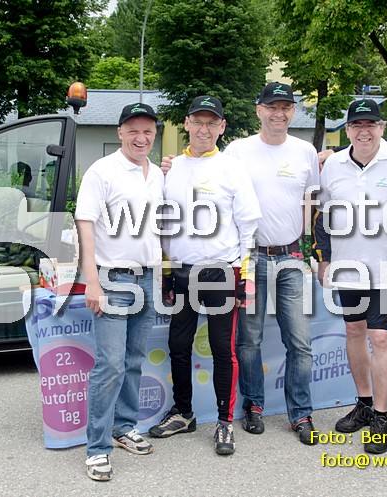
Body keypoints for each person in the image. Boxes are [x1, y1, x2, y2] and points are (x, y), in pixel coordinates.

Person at [148, 95, 261, 456]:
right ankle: (184, 413)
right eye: (198, 121)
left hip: (221, 272)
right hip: (182, 271)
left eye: (212, 123)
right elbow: (165, 226)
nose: (204, 129)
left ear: (222, 127)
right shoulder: (171, 169)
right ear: (186, 123)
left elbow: (248, 225)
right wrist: (167, 273)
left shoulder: (232, 168)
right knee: (178, 346)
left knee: (221, 349)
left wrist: (245, 275)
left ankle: (224, 423)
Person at [224, 82, 320, 445]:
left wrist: (311, 249)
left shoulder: (305, 151)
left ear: (293, 111)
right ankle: (254, 406)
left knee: (300, 341)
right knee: (249, 339)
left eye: (285, 107)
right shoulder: (238, 151)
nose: (279, 113)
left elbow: (311, 202)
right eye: (272, 107)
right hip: (251, 259)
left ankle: (301, 413)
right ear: (259, 110)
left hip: (292, 258)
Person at [74, 102, 164, 481]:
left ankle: (124, 427)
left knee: (133, 360)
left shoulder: (157, 174)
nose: (140, 138)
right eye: (133, 131)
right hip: (112, 279)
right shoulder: (102, 171)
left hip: (148, 278)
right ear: (120, 133)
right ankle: (97, 449)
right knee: (109, 364)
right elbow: (85, 224)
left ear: (154, 134)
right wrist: (91, 281)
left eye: (147, 131)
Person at [314, 99, 387, 454]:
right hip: (347, 267)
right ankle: (364, 403)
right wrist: (323, 258)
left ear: (382, 127)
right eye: (357, 125)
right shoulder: (334, 164)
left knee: (380, 337)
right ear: (348, 130)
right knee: (354, 331)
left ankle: (381, 416)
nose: (364, 131)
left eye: (371, 124)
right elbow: (323, 215)